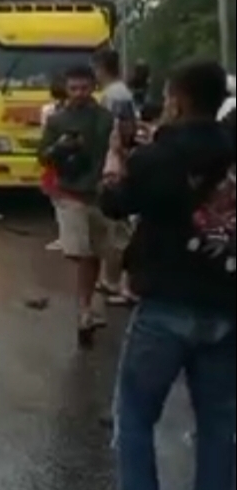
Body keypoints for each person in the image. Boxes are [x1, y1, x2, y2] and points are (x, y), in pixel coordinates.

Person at [100, 59, 235, 490]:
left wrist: (116, 157)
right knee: (218, 426)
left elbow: (114, 202)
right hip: (226, 305)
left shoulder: (158, 157)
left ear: (177, 98)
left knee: (135, 418)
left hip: (165, 304)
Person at [38, 63, 114, 347]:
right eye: (74, 88)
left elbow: (115, 149)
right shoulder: (57, 120)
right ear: (66, 89)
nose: (79, 94)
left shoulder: (106, 119)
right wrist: (59, 147)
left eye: (84, 88)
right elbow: (43, 157)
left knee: (96, 254)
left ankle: (89, 305)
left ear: (93, 87)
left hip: (100, 194)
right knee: (80, 253)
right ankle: (85, 308)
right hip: (70, 194)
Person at [93, 49, 136, 306]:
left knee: (118, 228)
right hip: (120, 157)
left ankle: (119, 283)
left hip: (116, 160)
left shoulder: (113, 95)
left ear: (101, 67)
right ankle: (114, 280)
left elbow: (121, 128)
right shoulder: (121, 92)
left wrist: (115, 156)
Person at [41, 74, 67, 252]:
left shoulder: (48, 111)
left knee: (58, 199)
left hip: (54, 156)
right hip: (67, 158)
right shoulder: (73, 112)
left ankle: (64, 237)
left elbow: (45, 134)